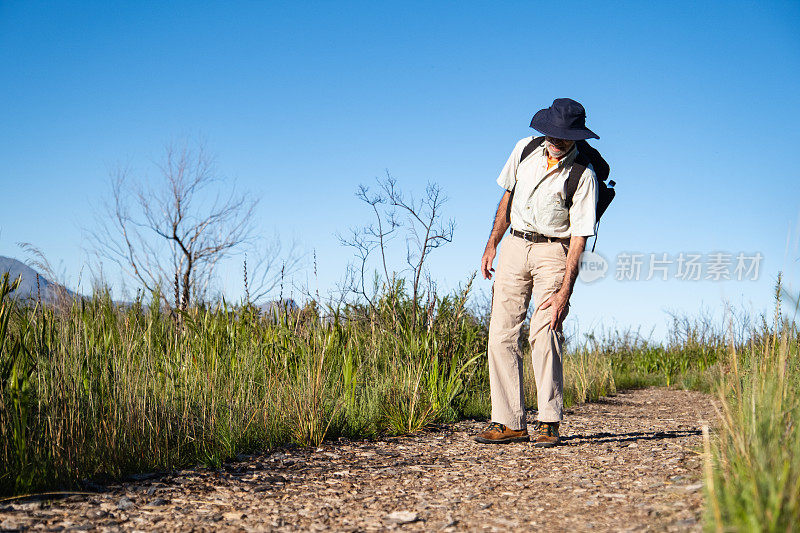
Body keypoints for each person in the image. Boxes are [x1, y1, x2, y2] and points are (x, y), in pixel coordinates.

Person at [474, 98, 599, 448]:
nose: (557, 141)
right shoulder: (524, 149)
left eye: (565, 136)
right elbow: (507, 197)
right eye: (553, 134)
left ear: (576, 136)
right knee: (501, 333)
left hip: (554, 251)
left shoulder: (583, 176)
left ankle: (547, 421)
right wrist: (492, 244)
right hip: (515, 244)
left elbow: (578, 239)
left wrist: (565, 294)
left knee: (544, 332)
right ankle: (509, 421)